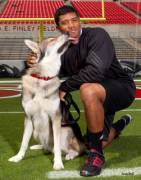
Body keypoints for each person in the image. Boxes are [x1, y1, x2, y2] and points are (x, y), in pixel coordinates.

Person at [27, 5, 136, 177]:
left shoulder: (98, 35)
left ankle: (96, 157)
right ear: (58, 28)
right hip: (97, 98)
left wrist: (64, 88)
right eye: (65, 23)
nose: (71, 26)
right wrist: (34, 64)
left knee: (87, 89)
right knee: (89, 144)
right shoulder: (63, 52)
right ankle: (119, 126)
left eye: (74, 20)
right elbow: (49, 73)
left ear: (80, 21)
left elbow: (96, 71)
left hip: (120, 87)